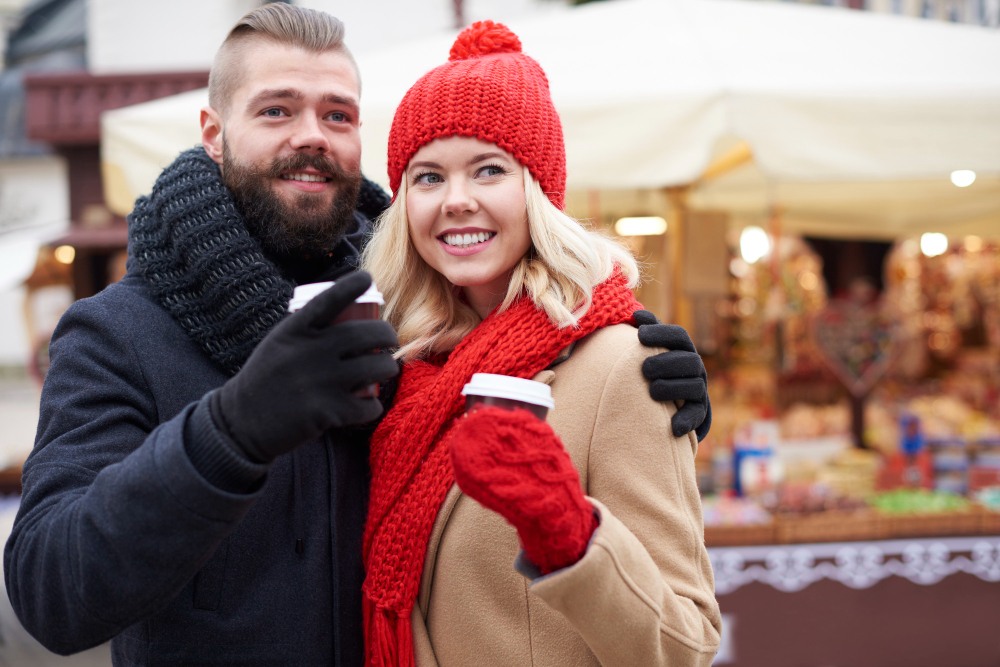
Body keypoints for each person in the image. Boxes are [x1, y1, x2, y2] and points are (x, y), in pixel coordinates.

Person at [5, 6, 710, 666]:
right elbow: (50, 591)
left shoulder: (408, 327)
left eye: (336, 114)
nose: (311, 133)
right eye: (276, 109)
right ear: (214, 134)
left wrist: (621, 354)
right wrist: (231, 429)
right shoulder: (118, 333)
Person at [359, 21, 721, 667]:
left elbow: (685, 644)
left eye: (489, 169)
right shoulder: (400, 371)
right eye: (428, 176)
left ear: (537, 192)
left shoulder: (621, 366)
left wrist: (572, 535)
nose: (457, 201)